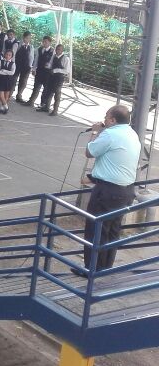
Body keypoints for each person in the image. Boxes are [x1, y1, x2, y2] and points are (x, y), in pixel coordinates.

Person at [79, 105, 140, 273]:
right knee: (112, 230)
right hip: (125, 190)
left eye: (106, 117)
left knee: (96, 229)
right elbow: (115, 162)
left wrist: (95, 132)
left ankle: (92, 268)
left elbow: (90, 152)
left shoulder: (110, 134)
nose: (104, 120)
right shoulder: (131, 133)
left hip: (107, 191)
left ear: (112, 120)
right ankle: (105, 267)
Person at [40, 44, 69, 116]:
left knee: (57, 94)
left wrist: (56, 70)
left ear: (62, 50)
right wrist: (48, 66)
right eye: (56, 49)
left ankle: (55, 110)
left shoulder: (66, 58)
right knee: (49, 92)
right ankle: (46, 107)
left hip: (59, 78)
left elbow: (66, 71)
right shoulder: (54, 56)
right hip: (51, 76)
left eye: (59, 49)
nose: (57, 51)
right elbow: (50, 64)